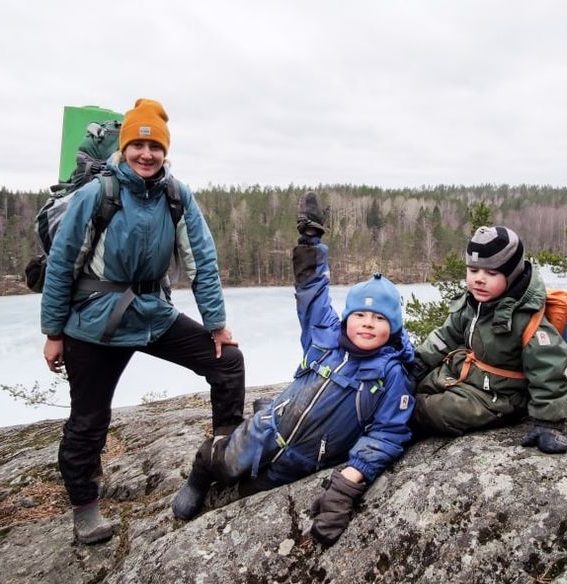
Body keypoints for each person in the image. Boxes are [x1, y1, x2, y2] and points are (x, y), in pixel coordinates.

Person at [40, 98, 245, 545]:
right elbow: (62, 265)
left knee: (227, 362)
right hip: (95, 323)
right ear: (125, 147)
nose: (146, 155)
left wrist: (216, 325)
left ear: (165, 152)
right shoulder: (99, 194)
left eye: (155, 148)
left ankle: (223, 459)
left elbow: (202, 262)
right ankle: (85, 509)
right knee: (88, 421)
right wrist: (53, 332)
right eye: (138, 145)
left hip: (153, 313)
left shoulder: (177, 195)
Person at [171, 192, 415, 547]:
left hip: (304, 460)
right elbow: (312, 291)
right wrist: (310, 242)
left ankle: (234, 484)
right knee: (223, 461)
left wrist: (349, 482)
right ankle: (198, 477)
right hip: (267, 429)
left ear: (392, 327)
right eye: (360, 315)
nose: (367, 323)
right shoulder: (325, 335)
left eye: (379, 318)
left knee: (248, 495)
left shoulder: (390, 375)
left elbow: (387, 434)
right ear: (347, 318)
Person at [408, 225, 567, 454]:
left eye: (491, 273)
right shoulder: (473, 303)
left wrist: (548, 422)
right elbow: (447, 335)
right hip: (467, 375)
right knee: (407, 386)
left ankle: (401, 430)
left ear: (512, 274)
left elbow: (548, 370)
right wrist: (420, 362)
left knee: (435, 410)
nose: (479, 280)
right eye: (473, 270)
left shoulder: (527, 318)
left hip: (501, 395)